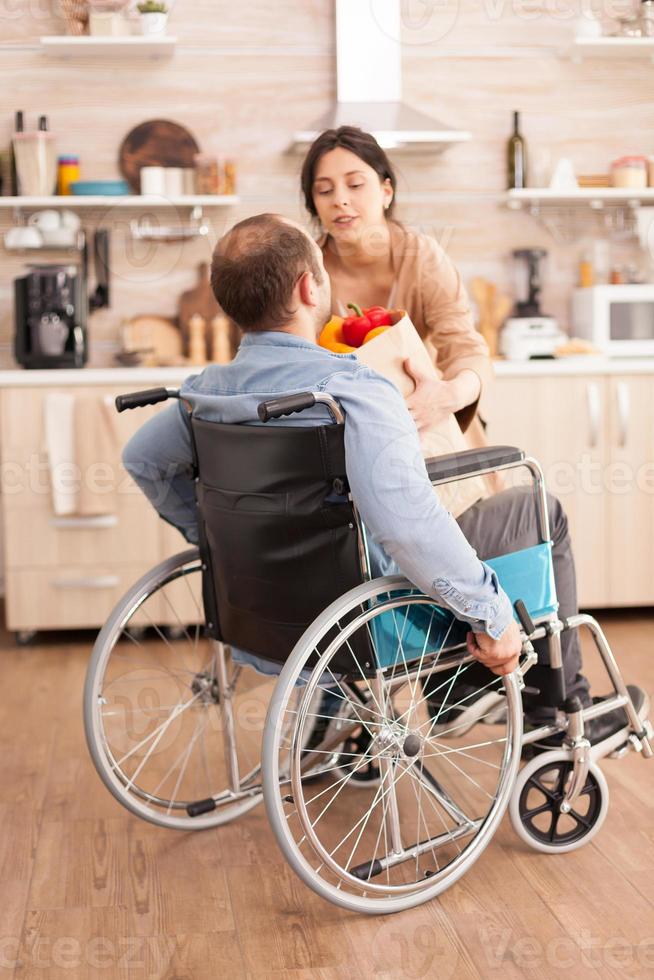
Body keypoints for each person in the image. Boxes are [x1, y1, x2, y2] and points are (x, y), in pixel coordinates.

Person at [123, 212, 645, 756]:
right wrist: (492, 615)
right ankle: (558, 716)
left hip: (262, 609)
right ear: (309, 287)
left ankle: (463, 691)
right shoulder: (352, 389)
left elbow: (144, 460)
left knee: (436, 533)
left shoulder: (204, 393)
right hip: (365, 614)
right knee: (538, 507)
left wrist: (230, 544)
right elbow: (403, 520)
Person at [300, 125, 498, 496]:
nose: (340, 200)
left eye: (355, 185)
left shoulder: (421, 257)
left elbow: (466, 348)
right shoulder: (305, 271)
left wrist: (450, 395)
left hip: (430, 424)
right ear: (314, 204)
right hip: (345, 443)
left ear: (386, 191)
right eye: (324, 190)